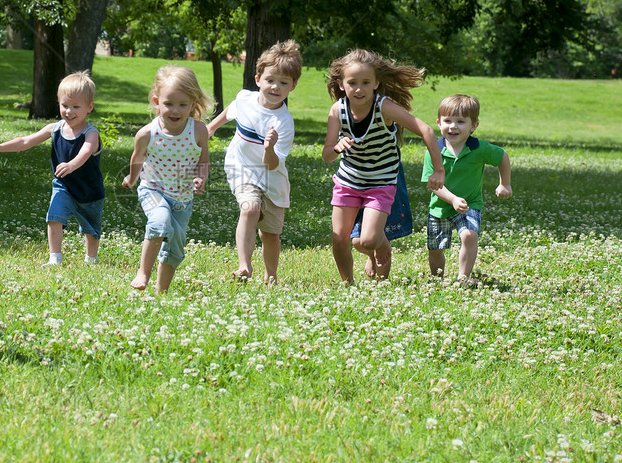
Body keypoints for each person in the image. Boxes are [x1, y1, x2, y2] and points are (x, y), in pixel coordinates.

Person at [322, 49, 445, 286]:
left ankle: (381, 244)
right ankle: (348, 284)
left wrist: (438, 170)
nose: (359, 89)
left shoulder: (384, 107)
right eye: (352, 83)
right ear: (341, 84)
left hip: (381, 183)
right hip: (349, 181)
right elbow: (327, 155)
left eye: (366, 82)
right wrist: (337, 147)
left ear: (376, 83)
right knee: (339, 238)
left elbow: (426, 130)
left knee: (367, 241)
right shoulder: (337, 111)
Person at [0, 71, 103, 266]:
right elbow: (25, 141)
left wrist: (72, 165)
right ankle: (55, 258)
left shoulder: (91, 134)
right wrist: (1, 147)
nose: (69, 111)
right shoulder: (54, 128)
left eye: (76, 107)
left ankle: (91, 260)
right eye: (65, 105)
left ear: (90, 107)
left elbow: (86, 152)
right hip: (63, 186)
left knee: (91, 229)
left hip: (90, 190)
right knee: (54, 218)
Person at [207, 39, 302, 285]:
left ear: (292, 86)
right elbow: (232, 109)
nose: (275, 87)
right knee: (250, 208)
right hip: (241, 167)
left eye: (284, 83)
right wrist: (212, 127)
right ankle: (244, 266)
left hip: (271, 178)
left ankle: (271, 275)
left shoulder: (284, 123)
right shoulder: (246, 98)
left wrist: (269, 147)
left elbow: (272, 164)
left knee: (270, 234)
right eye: (270, 80)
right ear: (258, 78)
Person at [122, 65, 212, 293]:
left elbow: (203, 161)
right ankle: (143, 272)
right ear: (156, 101)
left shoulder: (199, 131)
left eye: (183, 104)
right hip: (152, 190)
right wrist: (132, 179)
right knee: (159, 222)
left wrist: (201, 179)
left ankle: (161, 292)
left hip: (182, 200)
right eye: (169, 103)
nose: (175, 110)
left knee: (175, 247)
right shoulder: (147, 133)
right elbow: (137, 158)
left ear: (193, 104)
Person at [423, 94, 512, 284]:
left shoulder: (479, 148)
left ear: (473, 126)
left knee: (469, 236)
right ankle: (437, 279)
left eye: (460, 122)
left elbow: (502, 156)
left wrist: (505, 183)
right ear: (438, 123)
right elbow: (433, 185)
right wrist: (452, 199)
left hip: (470, 203)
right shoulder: (434, 150)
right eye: (447, 121)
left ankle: (463, 278)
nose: (453, 126)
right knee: (436, 248)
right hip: (440, 207)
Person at [350, 158, 413, 280]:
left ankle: (382, 282)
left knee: (382, 235)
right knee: (357, 241)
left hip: (385, 176)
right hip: (358, 177)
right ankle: (372, 256)